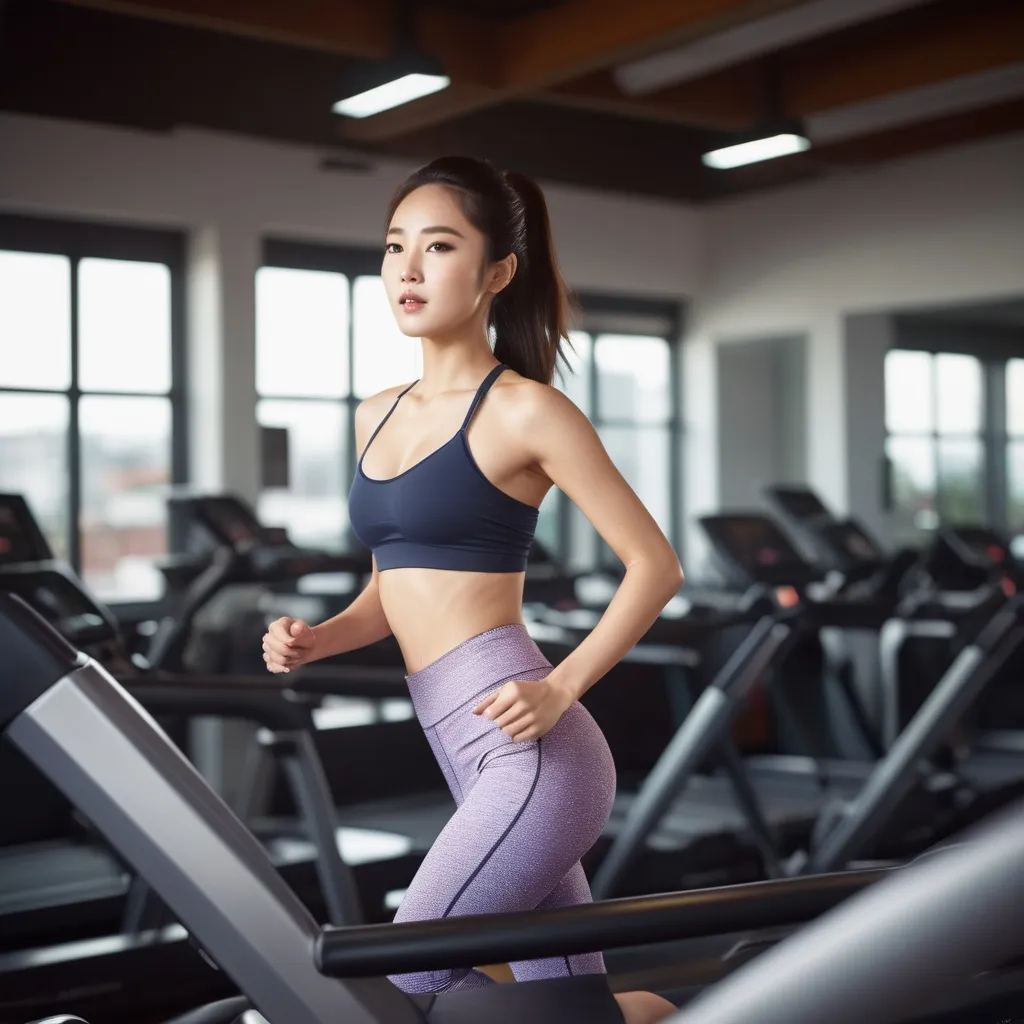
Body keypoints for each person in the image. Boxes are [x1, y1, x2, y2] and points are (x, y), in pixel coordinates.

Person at [262, 156, 683, 1024]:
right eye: (393, 247)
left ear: (497, 273)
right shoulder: (374, 411)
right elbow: (390, 591)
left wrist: (560, 685)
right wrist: (318, 637)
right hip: (456, 741)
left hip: (532, 748)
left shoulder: (528, 411)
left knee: (400, 972)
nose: (407, 270)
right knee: (569, 1001)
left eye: (439, 246)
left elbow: (656, 565)